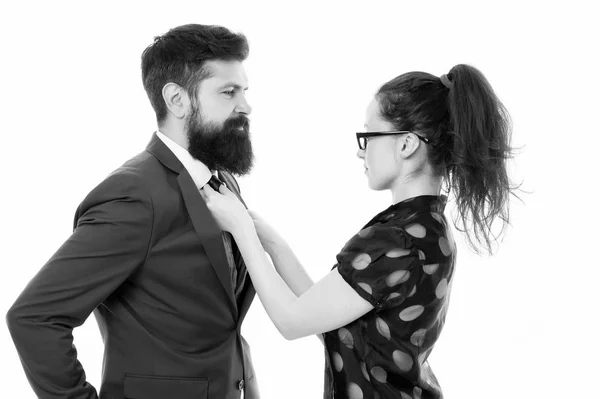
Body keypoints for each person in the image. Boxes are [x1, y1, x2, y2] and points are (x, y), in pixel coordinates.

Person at [202, 64, 516, 398]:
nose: (360, 150)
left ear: (407, 144)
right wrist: (267, 239)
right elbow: (330, 320)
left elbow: (292, 321)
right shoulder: (428, 228)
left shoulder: (397, 241)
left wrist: (240, 230)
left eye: (368, 136)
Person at [6, 24, 260, 399]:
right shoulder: (134, 195)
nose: (245, 105)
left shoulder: (222, 180)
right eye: (228, 92)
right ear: (177, 100)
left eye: (244, 91)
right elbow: (34, 318)